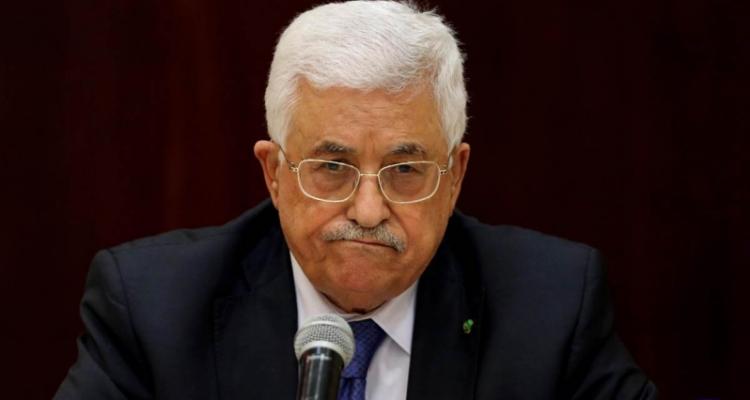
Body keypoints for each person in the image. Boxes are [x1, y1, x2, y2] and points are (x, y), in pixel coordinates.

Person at [55, 1, 657, 399]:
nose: (368, 211)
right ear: (274, 174)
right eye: (333, 168)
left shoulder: (550, 311)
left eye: (405, 170)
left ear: (454, 178)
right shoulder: (153, 310)